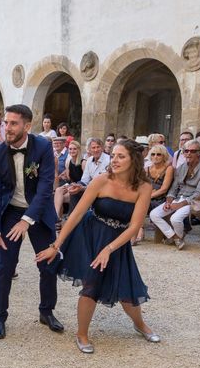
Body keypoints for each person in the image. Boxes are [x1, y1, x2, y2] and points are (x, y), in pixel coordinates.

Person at [36, 139, 159, 354]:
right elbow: (75, 214)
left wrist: (109, 249)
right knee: (91, 283)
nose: (115, 160)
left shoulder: (144, 186)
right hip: (90, 235)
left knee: (126, 287)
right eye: (113, 156)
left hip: (117, 242)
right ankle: (81, 334)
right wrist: (56, 245)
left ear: (134, 160)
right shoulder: (101, 180)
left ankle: (140, 325)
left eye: (121, 156)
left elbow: (135, 226)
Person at [0, 104, 62, 340]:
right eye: (5, 123)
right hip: (10, 212)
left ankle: (46, 312)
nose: (7, 128)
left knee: (48, 264)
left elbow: (44, 189)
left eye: (13, 123)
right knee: (4, 266)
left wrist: (27, 220)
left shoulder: (42, 147)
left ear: (27, 126)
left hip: (38, 213)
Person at [150, 139, 200, 249]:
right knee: (154, 214)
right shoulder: (182, 167)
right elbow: (174, 188)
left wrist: (179, 205)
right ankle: (175, 237)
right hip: (178, 198)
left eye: (192, 151)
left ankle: (178, 238)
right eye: (186, 151)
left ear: (199, 153)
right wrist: (169, 201)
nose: (188, 153)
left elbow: (199, 193)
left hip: (193, 201)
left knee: (175, 218)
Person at [133, 144, 174, 244]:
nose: (155, 157)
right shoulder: (147, 169)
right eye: (153, 154)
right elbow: (141, 185)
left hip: (162, 199)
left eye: (159, 154)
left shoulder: (169, 169)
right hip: (149, 197)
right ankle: (139, 232)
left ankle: (138, 233)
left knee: (142, 203)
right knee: (136, 203)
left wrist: (148, 195)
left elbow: (164, 189)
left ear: (164, 156)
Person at [53, 140, 85, 222]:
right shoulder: (68, 162)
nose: (72, 151)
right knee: (58, 190)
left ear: (78, 150)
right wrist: (63, 177)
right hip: (72, 185)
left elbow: (86, 179)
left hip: (81, 188)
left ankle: (59, 218)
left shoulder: (83, 162)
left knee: (59, 199)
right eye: (70, 149)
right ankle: (56, 216)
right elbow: (69, 178)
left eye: (74, 149)